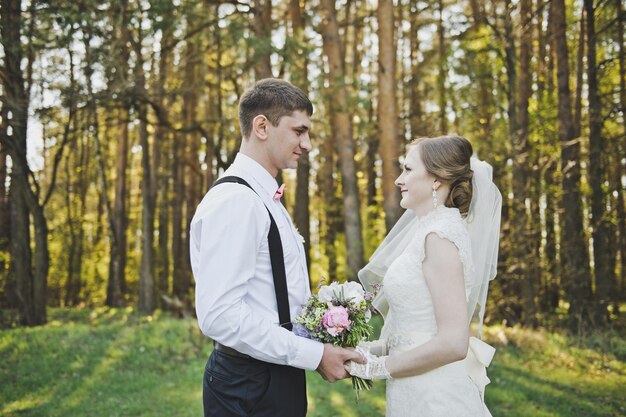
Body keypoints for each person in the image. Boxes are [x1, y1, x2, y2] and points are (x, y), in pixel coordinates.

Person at [190, 78, 363, 417]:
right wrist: (315, 356)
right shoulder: (238, 202)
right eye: (299, 131)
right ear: (262, 127)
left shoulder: (263, 198)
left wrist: (327, 332)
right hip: (249, 381)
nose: (307, 144)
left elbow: (271, 296)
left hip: (272, 372)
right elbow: (220, 316)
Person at [347, 135, 502, 417]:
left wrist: (378, 367)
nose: (398, 180)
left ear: (436, 180)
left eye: (408, 169)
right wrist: (369, 350)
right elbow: (417, 329)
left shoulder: (440, 236)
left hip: (436, 398)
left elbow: (454, 343)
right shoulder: (426, 231)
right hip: (413, 389)